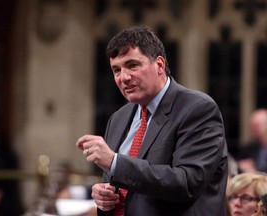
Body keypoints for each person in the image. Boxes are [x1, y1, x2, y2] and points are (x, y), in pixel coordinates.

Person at [76, 25, 228, 215]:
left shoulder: (197, 108)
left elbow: (188, 182)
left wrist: (115, 163)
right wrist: (105, 196)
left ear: (159, 65)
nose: (124, 77)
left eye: (132, 65)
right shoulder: (119, 118)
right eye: (116, 70)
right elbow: (124, 181)